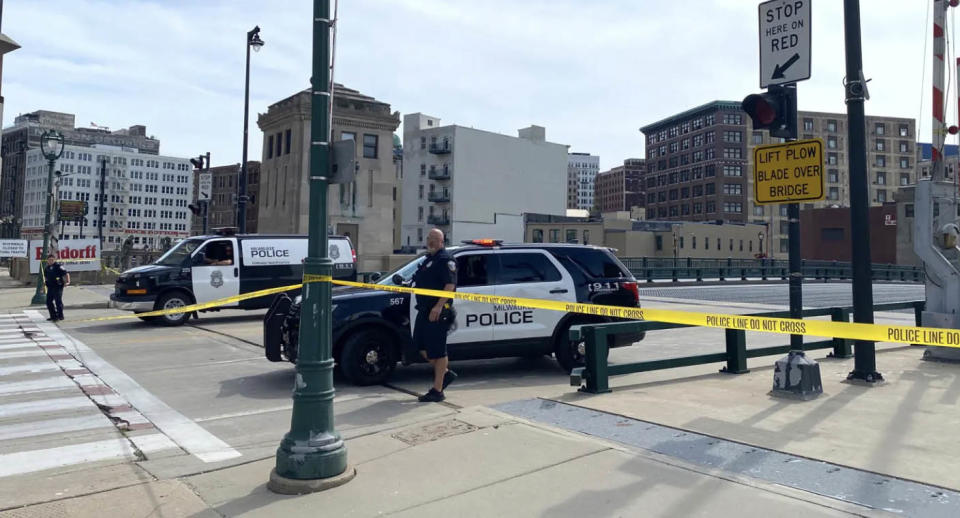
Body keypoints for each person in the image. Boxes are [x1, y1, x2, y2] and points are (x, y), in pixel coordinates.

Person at [413, 228, 458, 402]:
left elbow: (449, 286)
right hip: (424, 309)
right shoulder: (429, 259)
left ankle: (437, 390)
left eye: (435, 239)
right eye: (429, 238)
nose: (431, 241)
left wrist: (439, 307)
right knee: (420, 346)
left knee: (438, 350)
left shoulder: (446, 260)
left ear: (442, 241)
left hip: (438, 311)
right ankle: (445, 374)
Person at [43, 253, 70, 321]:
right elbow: (46, 278)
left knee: (58, 301)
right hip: (50, 287)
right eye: (49, 260)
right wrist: (44, 286)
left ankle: (60, 316)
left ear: (54, 260)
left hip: (58, 286)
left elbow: (66, 273)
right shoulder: (47, 268)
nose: (51, 261)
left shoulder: (58, 266)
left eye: (52, 260)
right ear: (47, 260)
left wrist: (68, 282)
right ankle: (53, 316)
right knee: (48, 302)